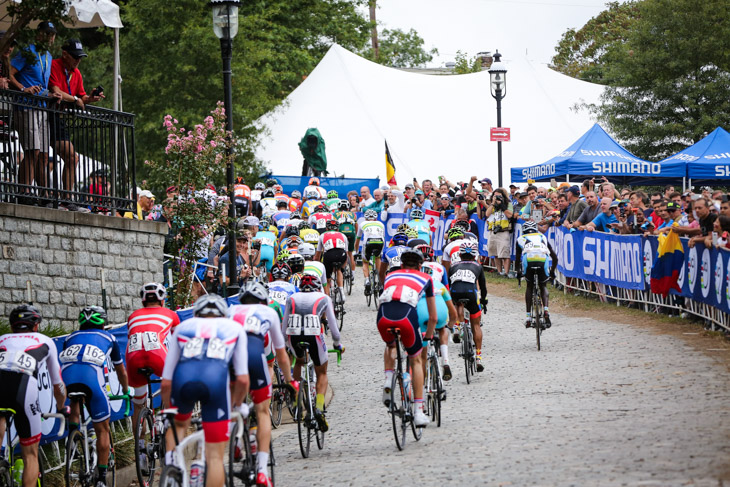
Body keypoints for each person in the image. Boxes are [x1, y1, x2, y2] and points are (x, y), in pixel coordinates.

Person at [161, 294, 250, 487]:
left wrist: (170, 409)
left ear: (196, 313)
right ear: (223, 314)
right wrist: (237, 404)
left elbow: (166, 382)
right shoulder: (234, 328)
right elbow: (242, 378)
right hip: (216, 383)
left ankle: (171, 469)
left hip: (183, 381)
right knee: (215, 456)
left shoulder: (184, 327)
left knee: (177, 426)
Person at [229, 283, 296, 487]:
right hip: (255, 357)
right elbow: (281, 354)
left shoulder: (231, 310)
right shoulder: (268, 312)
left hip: (229, 357)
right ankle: (261, 471)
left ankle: (237, 440)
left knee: (234, 405)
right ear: (264, 299)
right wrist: (289, 380)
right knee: (262, 411)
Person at [60, 306, 129, 487]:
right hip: (92, 380)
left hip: (67, 380)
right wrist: (126, 389)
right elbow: (120, 370)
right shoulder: (110, 338)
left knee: (75, 398)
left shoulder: (70, 337)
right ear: (104, 322)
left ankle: (73, 440)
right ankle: (101, 479)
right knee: (102, 430)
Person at [0, 305, 66, 487]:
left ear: (12, 326)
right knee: (30, 454)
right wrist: (61, 407)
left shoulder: (1, 339)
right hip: (23, 389)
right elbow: (57, 384)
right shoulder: (44, 340)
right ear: (36, 326)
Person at [376, 248, 436, 427]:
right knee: (415, 360)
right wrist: (428, 337)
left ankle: (388, 380)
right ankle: (418, 411)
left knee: (391, 345)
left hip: (383, 316)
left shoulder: (389, 276)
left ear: (401, 264)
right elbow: (432, 317)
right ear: (420, 265)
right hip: (406, 316)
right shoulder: (426, 278)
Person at [282, 274, 344, 432]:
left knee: (299, 361)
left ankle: (296, 401)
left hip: (293, 335)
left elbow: (283, 328)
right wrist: (337, 345)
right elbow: (334, 329)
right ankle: (318, 408)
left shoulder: (292, 297)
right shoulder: (324, 298)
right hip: (313, 334)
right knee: (322, 371)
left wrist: (285, 346)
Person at [125, 282, 180, 458]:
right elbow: (179, 340)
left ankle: (140, 452)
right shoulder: (171, 314)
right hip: (158, 356)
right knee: (172, 391)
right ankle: (167, 429)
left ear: (143, 301)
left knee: (138, 405)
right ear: (162, 300)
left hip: (133, 360)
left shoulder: (132, 316)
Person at [48, 38, 104, 207]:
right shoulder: (54, 65)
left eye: (80, 57)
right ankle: (45, 195)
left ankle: (66, 197)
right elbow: (57, 92)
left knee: (72, 158)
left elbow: (81, 98)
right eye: (75, 57)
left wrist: (90, 98)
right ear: (65, 54)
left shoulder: (76, 73)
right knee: (42, 156)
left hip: (58, 116)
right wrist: (75, 99)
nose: (78, 60)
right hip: (47, 113)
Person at [9, 22, 59, 205]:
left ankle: (44, 195)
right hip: (26, 106)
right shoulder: (27, 51)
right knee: (32, 150)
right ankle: (24, 192)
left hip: (42, 107)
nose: (49, 38)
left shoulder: (48, 55)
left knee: (44, 154)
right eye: (46, 34)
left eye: (52, 34)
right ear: (38, 34)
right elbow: (10, 73)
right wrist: (24, 88)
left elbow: (43, 83)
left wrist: (52, 95)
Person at [448, 241, 488, 371]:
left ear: (459, 255)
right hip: (471, 293)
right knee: (476, 324)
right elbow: (482, 287)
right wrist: (483, 301)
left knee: (457, 302)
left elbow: (449, 285)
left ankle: (458, 327)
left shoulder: (453, 266)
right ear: (475, 255)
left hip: (455, 292)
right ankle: (478, 356)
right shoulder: (477, 266)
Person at [515, 221, 558, 328]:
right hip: (542, 259)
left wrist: (519, 272)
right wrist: (552, 271)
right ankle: (546, 310)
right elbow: (555, 257)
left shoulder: (520, 239)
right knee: (543, 285)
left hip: (528, 259)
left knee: (529, 286)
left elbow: (517, 259)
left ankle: (528, 317)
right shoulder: (542, 236)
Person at [314, 219, 349, 300]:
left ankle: (328, 298)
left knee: (327, 278)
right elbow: (346, 254)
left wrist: (317, 264)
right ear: (338, 228)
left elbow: (318, 254)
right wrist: (343, 268)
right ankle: (342, 293)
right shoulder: (343, 235)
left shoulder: (322, 235)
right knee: (339, 270)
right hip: (341, 254)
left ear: (326, 228)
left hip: (329, 254)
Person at [354, 209, 385, 295]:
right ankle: (379, 279)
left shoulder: (362, 224)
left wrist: (356, 252)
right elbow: (383, 238)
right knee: (378, 258)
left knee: (365, 262)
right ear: (376, 218)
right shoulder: (381, 224)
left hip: (368, 242)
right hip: (380, 242)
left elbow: (357, 241)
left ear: (365, 218)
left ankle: (367, 280)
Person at [485, 188, 513, 276]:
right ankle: (499, 271)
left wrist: (502, 205)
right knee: (496, 253)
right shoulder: (492, 206)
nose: (497, 198)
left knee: (504, 253)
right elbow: (487, 214)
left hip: (503, 231)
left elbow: (509, 215)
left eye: (499, 196)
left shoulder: (508, 204)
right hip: (493, 231)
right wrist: (493, 203)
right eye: (495, 196)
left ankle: (506, 272)